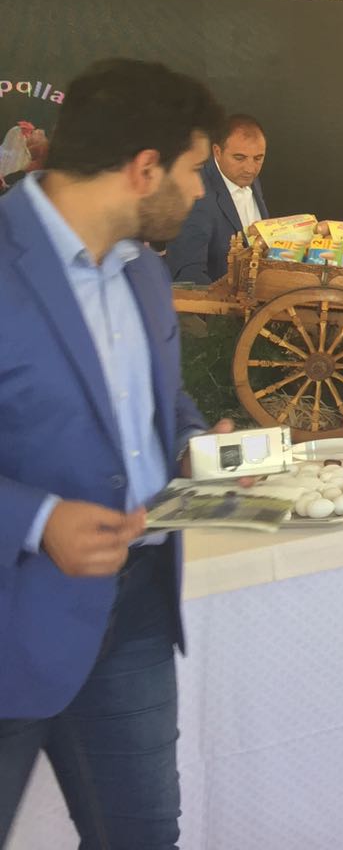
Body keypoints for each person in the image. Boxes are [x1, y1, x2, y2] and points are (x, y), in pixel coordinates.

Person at [0, 58, 230, 847]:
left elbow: (162, 404)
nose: (199, 193)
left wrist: (195, 447)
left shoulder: (142, 273)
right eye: (194, 170)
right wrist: (37, 520)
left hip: (135, 611)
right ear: (144, 169)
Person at [164, 113, 270, 283]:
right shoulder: (196, 195)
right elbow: (188, 275)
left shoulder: (247, 177)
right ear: (217, 152)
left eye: (258, 158)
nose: (250, 168)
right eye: (239, 158)